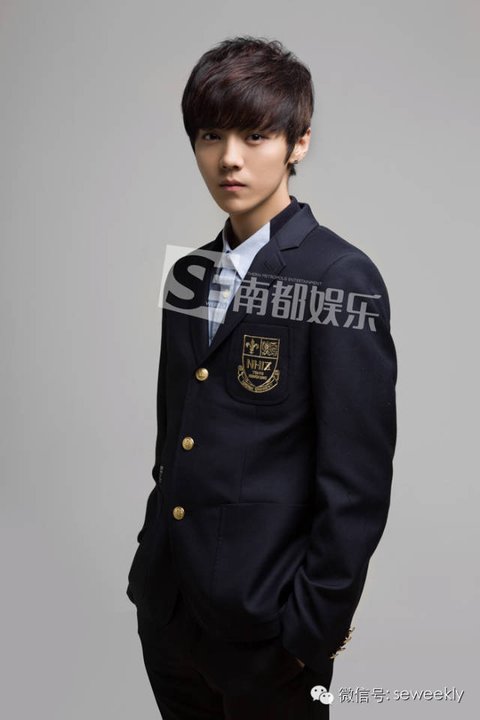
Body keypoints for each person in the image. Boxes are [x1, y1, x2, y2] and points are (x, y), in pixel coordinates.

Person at [126, 36, 397, 720]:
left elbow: (357, 483)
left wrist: (311, 632)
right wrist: (151, 573)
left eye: (255, 135)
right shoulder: (188, 275)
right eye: (210, 136)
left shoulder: (338, 277)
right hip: (170, 614)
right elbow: (174, 439)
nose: (230, 158)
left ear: (298, 143)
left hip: (267, 634)